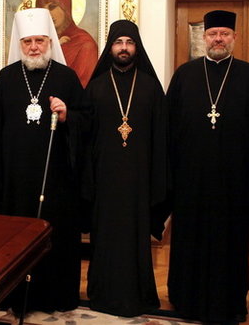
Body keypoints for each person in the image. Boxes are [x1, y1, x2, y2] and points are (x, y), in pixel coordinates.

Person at [166, 10, 249, 324]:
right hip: (191, 183)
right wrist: (170, 179)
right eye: (213, 33)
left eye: (224, 34)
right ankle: (184, 299)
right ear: (204, 37)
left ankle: (230, 304)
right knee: (189, 243)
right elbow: (168, 131)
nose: (218, 39)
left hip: (234, 185)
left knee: (230, 247)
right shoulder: (185, 75)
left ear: (234, 38)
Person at [0, 8, 85, 314]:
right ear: (20, 43)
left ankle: (55, 297)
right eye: (28, 42)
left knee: (54, 237)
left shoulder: (65, 77)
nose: (34, 47)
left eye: (40, 40)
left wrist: (68, 115)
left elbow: (86, 119)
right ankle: (16, 298)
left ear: (50, 41)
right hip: (15, 181)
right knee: (16, 239)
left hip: (56, 179)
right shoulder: (7, 77)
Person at [82, 20, 168, 317]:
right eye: (118, 42)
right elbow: (85, 137)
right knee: (104, 237)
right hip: (105, 177)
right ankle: (102, 294)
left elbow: (161, 138)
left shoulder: (150, 88)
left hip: (139, 179)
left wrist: (158, 179)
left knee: (136, 237)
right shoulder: (95, 87)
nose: (123, 48)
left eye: (129, 43)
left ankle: (138, 295)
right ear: (110, 47)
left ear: (136, 47)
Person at [35, 0, 98, 88]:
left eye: (53, 7)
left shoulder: (85, 44)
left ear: (65, 7)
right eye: (43, 10)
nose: (48, 14)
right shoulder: (37, 43)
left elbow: (80, 86)